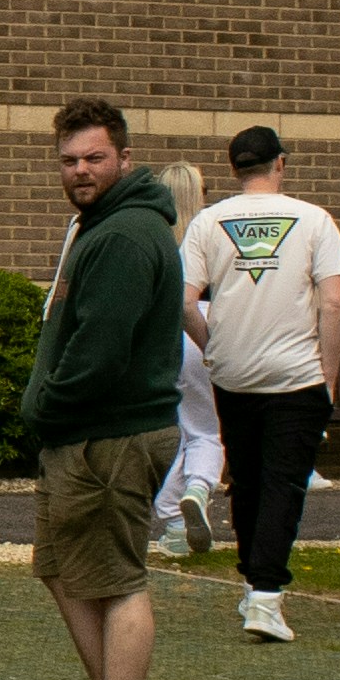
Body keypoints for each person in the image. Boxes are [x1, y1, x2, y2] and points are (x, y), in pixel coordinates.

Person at [14, 99, 187, 680]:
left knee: (116, 581)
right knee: (62, 571)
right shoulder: (102, 226)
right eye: (68, 160)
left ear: (121, 157)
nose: (79, 170)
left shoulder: (120, 236)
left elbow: (99, 350)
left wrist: (48, 408)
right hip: (86, 435)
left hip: (109, 437)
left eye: (92, 158)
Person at [184, 125, 340, 645]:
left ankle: (253, 578)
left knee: (250, 480)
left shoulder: (208, 221)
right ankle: (265, 596)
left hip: (234, 375)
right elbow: (333, 303)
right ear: (280, 163)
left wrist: (214, 347)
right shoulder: (314, 219)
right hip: (297, 376)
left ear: (234, 169)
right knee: (284, 483)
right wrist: (328, 378)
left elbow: (185, 303)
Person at [148, 164, 225, 568]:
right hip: (202, 324)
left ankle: (174, 515)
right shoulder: (210, 233)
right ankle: (192, 492)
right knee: (208, 431)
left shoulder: (154, 234)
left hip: (164, 334)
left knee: (183, 430)